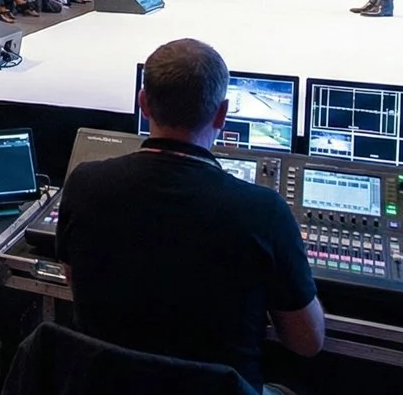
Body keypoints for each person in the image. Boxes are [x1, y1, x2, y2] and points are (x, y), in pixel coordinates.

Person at [56, 39, 324, 393]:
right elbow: (307, 342)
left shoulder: (83, 184)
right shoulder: (263, 211)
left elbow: (77, 286)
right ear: (222, 113)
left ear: (144, 103)